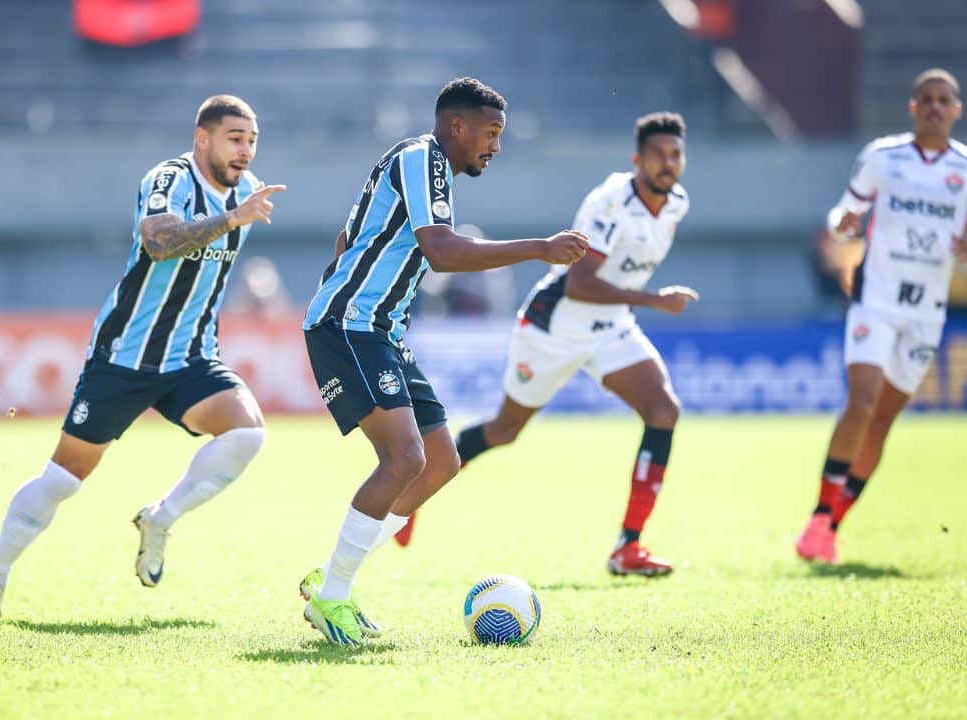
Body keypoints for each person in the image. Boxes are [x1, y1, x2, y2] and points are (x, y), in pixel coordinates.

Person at [296, 77, 590, 645]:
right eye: (491, 132)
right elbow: (443, 252)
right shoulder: (422, 158)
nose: (496, 146)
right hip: (350, 326)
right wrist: (540, 248)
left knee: (440, 462)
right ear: (457, 125)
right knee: (404, 457)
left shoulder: (426, 169)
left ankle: (331, 579)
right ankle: (333, 595)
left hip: (379, 329)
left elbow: (347, 239)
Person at [0, 95, 285, 621]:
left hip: (189, 356)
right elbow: (158, 242)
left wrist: (237, 212)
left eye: (252, 140)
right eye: (235, 138)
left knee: (247, 435)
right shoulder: (170, 179)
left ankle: (160, 518)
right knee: (63, 479)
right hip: (125, 356)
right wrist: (231, 218)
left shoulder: (249, 190)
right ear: (202, 138)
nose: (245, 150)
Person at [443, 112, 696, 577]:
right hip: (555, 326)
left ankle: (628, 546)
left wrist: (638, 301)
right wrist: (653, 300)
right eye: (658, 154)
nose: (668, 163)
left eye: (675, 155)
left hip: (610, 324)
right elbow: (580, 285)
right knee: (504, 430)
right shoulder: (610, 204)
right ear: (637, 160)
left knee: (663, 411)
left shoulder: (676, 203)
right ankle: (416, 487)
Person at [795, 69, 967, 564]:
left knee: (883, 420)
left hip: (926, 312)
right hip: (876, 300)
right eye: (926, 99)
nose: (934, 107)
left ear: (956, 110)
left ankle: (831, 527)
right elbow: (842, 214)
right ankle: (818, 516)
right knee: (862, 402)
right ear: (913, 107)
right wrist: (841, 225)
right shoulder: (883, 157)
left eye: (943, 100)